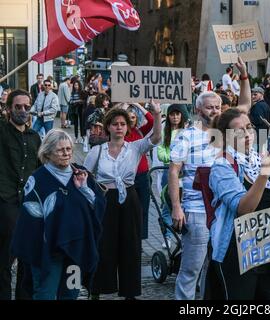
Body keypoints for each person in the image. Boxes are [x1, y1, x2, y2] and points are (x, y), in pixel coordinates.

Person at [169, 57, 250, 300]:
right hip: (196, 209)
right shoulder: (186, 136)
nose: (215, 110)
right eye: (209, 107)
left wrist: (244, 75)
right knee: (192, 267)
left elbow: (245, 105)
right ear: (197, 109)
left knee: (215, 268)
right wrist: (176, 207)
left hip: (225, 210)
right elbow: (174, 171)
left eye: (218, 107)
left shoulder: (227, 131)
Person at [10, 129, 106, 300]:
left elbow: (97, 205)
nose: (66, 153)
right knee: (45, 293)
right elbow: (30, 219)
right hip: (48, 252)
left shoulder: (81, 173)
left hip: (77, 250)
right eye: (60, 150)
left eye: (69, 149)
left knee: (71, 293)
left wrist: (84, 188)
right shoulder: (37, 180)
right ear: (48, 152)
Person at [205, 108, 270, 300]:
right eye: (239, 131)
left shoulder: (258, 158)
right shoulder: (222, 166)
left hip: (267, 246)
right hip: (236, 251)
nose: (247, 134)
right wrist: (265, 172)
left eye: (249, 127)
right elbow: (244, 208)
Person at [84, 105, 162, 299]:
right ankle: (97, 289)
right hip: (105, 200)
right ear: (108, 127)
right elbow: (83, 176)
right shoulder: (98, 150)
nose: (119, 127)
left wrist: (157, 114)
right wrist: (92, 196)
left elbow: (156, 138)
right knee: (103, 245)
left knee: (131, 244)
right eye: (115, 124)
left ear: (128, 127)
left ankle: (130, 291)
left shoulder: (135, 147)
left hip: (129, 198)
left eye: (122, 124)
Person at [0, 90, 41, 300]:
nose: (23, 111)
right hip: (6, 202)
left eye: (27, 107)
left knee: (27, 258)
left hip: (29, 204)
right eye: (18, 107)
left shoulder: (35, 138)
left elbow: (44, 169)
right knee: (5, 258)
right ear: (8, 109)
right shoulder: (2, 131)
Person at [157, 104, 188, 248]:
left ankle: (184, 234)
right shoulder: (164, 131)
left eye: (177, 114)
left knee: (184, 203)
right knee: (166, 205)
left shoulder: (187, 131)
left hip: (185, 172)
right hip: (168, 170)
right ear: (168, 116)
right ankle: (167, 237)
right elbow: (161, 152)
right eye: (172, 114)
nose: (175, 117)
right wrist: (174, 157)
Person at [124, 103, 155, 240]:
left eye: (133, 117)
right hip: (126, 176)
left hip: (142, 175)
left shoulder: (141, 131)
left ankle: (140, 238)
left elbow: (152, 120)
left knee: (143, 208)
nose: (131, 119)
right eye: (128, 117)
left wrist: (136, 104)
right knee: (126, 208)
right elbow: (112, 118)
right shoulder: (120, 132)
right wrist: (125, 106)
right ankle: (127, 236)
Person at [249, 87, 270, 152]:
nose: (253, 96)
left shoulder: (258, 106)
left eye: (255, 94)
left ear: (261, 94)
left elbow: (257, 121)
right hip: (264, 136)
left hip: (258, 137)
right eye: (252, 95)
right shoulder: (266, 105)